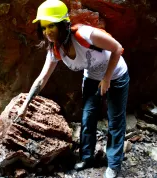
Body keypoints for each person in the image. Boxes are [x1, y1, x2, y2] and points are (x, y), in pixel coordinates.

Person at [15, 0, 129, 178]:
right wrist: (25, 105)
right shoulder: (55, 49)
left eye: (51, 25)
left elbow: (117, 48)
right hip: (92, 77)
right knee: (88, 117)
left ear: (63, 24)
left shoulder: (85, 35)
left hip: (116, 75)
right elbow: (42, 78)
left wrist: (107, 78)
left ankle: (114, 164)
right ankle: (87, 157)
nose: (47, 32)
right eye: (43, 28)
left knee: (115, 120)